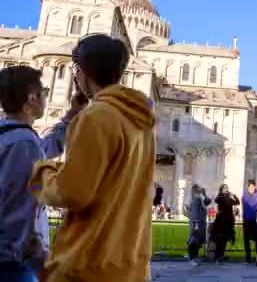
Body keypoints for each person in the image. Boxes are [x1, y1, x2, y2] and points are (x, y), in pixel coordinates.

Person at [29, 34, 156, 281]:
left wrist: (42, 173)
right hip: (129, 264)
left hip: (88, 263)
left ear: (82, 72)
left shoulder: (95, 117)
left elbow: (73, 193)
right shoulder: (142, 121)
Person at [0, 66, 83, 281]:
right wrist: (44, 266)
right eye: (44, 92)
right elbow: (21, 214)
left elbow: (45, 150)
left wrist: (71, 116)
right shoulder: (23, 144)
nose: (46, 97)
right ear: (32, 98)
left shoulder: (11, 135)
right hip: (12, 263)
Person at [211, 184, 240, 264]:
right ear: (221, 189)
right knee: (219, 240)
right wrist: (221, 194)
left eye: (227, 188)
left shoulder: (230, 198)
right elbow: (216, 201)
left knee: (224, 240)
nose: (226, 189)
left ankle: (221, 256)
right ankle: (217, 257)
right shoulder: (220, 197)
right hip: (221, 221)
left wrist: (234, 195)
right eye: (225, 188)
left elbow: (237, 202)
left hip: (228, 221)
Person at [186, 184, 212, 266]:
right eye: (199, 190)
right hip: (196, 223)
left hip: (200, 223)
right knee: (194, 241)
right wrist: (196, 223)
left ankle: (194, 257)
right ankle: (191, 258)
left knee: (198, 241)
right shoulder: (196, 200)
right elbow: (194, 213)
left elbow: (208, 201)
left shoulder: (200, 199)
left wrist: (204, 194)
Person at [242, 180, 257, 265]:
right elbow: (243, 207)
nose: (251, 188)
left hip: (255, 221)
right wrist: (243, 217)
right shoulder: (244, 195)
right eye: (250, 187)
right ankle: (248, 258)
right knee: (246, 240)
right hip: (246, 220)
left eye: (253, 187)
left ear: (255, 186)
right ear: (248, 187)